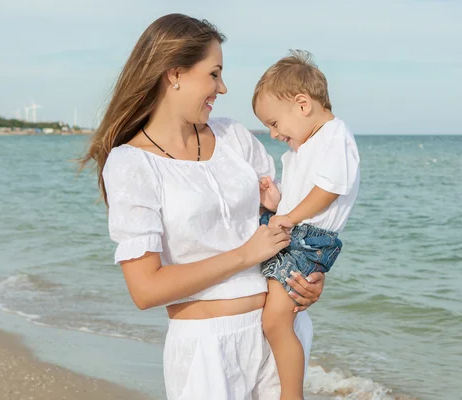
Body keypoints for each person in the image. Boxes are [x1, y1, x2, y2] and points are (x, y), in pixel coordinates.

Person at [79, 14, 325, 399]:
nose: (222, 88)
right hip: (208, 351)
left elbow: (283, 226)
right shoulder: (131, 164)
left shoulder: (235, 138)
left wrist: (305, 278)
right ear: (174, 74)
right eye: (214, 74)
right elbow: (145, 289)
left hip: (281, 334)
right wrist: (246, 254)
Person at [252, 50, 361, 400]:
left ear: (302, 105)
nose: (272, 133)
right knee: (272, 314)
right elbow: (302, 195)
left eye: (274, 123)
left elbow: (328, 190)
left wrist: (288, 216)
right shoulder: (305, 145)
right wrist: (275, 205)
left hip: (308, 240)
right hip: (294, 232)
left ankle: (291, 394)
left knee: (275, 320)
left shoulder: (334, 135)